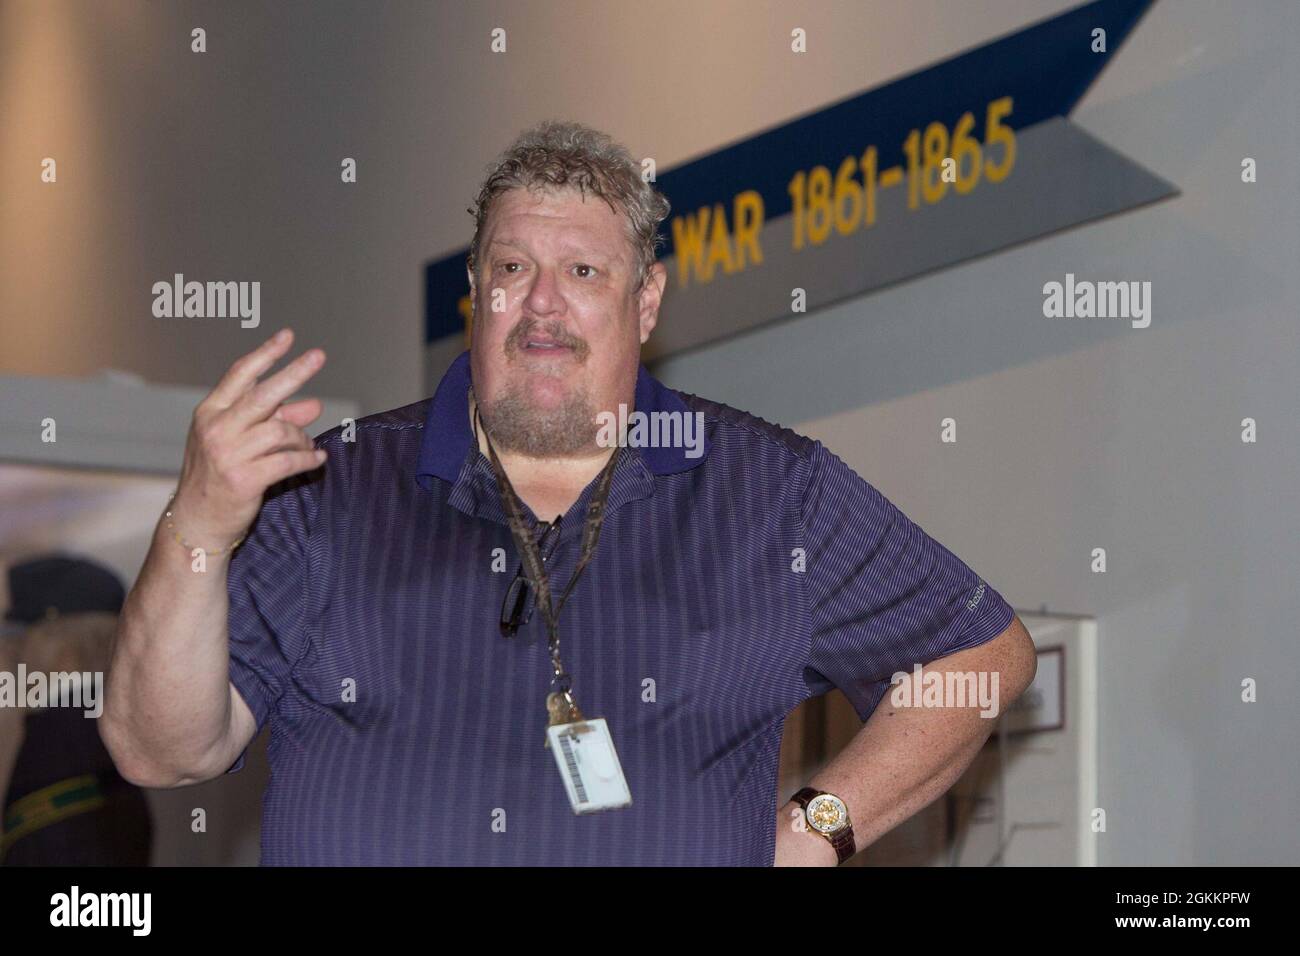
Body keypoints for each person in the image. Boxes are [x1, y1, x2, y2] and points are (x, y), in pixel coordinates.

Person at [100, 120, 1037, 866]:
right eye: (513, 270)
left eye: (584, 272)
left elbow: (980, 656)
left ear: (647, 300)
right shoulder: (323, 489)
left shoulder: (770, 494)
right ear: (478, 289)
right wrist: (199, 526)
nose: (542, 303)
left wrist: (818, 828)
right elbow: (160, 750)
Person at [1, 555, 153, 865]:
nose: (7, 651)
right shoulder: (104, 731)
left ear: (58, 644)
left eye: (14, 637)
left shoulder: (59, 737)